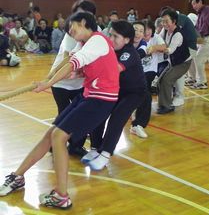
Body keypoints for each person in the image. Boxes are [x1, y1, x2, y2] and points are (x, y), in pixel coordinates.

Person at [0, 12, 120, 209]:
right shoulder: (85, 45)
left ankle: (62, 196)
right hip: (88, 95)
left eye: (73, 28)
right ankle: (17, 176)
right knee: (50, 135)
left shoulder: (98, 40)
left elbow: (73, 64)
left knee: (58, 137)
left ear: (83, 23)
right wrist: (51, 79)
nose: (71, 33)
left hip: (101, 100)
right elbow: (75, 71)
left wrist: (48, 83)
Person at [81, 20, 146, 170]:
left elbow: (113, 69)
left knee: (117, 118)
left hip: (134, 92)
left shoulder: (129, 53)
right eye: (110, 35)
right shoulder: (110, 48)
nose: (111, 39)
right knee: (99, 114)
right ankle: (95, 148)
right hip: (117, 89)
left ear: (127, 40)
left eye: (116, 36)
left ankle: (105, 154)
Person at [48, 0, 98, 157]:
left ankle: (75, 146)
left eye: (86, 14)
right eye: (79, 14)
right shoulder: (73, 33)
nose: (82, 18)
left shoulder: (97, 33)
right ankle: (53, 143)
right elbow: (68, 60)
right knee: (65, 116)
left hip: (80, 82)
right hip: (61, 82)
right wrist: (50, 79)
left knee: (81, 115)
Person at [150, 8, 191, 114]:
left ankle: (166, 106)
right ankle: (163, 103)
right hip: (172, 61)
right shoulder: (165, 30)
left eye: (166, 21)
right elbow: (157, 39)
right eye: (162, 21)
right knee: (161, 77)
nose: (164, 24)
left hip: (183, 63)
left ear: (174, 21)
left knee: (167, 79)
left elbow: (170, 50)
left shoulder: (178, 34)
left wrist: (157, 48)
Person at [130, 20, 165, 138]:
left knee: (146, 95)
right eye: (136, 30)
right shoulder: (123, 42)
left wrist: (152, 49)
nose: (139, 33)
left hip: (143, 74)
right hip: (122, 78)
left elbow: (142, 52)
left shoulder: (144, 44)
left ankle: (138, 125)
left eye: (142, 31)